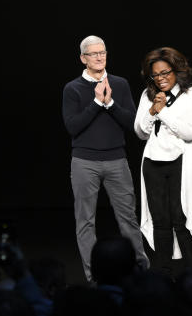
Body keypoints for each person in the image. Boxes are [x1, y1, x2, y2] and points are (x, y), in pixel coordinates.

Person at [62, 35, 149, 282]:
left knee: (128, 219)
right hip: (84, 162)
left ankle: (140, 273)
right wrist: (95, 102)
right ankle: (94, 278)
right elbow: (73, 127)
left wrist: (109, 102)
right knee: (85, 222)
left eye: (103, 52)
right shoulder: (73, 88)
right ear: (83, 58)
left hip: (116, 160)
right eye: (93, 53)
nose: (99, 57)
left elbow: (131, 124)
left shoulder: (119, 84)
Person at [134, 47, 192, 275]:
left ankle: (191, 273)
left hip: (182, 162)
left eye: (165, 73)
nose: (160, 79)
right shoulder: (147, 94)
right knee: (159, 220)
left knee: (181, 218)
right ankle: (162, 273)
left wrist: (163, 112)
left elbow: (191, 131)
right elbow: (140, 132)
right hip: (153, 162)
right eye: (155, 75)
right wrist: (152, 110)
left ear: (177, 70)